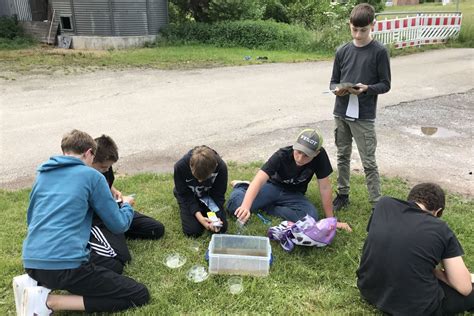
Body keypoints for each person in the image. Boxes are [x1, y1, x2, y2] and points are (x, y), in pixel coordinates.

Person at [13, 130, 149, 315]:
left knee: (110, 266)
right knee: (138, 294)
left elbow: (31, 219)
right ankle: (48, 302)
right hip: (66, 266)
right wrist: (126, 206)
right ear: (89, 153)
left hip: (31, 261)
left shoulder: (43, 174)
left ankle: (35, 282)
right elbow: (118, 225)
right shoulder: (92, 176)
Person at [357, 183, 474, 315]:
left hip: (369, 290)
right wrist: (437, 273)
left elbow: (386, 245)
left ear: (410, 199)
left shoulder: (383, 204)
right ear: (438, 211)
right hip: (416, 309)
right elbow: (464, 288)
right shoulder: (440, 228)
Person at [226, 129, 351, 232]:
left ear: (316, 153)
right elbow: (259, 180)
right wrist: (246, 206)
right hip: (272, 187)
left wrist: (330, 220)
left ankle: (266, 205)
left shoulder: (320, 156)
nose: (300, 158)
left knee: (310, 218)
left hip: (294, 194)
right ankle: (242, 186)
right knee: (235, 207)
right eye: (298, 152)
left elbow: (324, 187)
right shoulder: (282, 155)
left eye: (306, 155)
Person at [329, 3, 391, 211]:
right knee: (342, 155)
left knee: (369, 161)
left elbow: (385, 84)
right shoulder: (342, 51)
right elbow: (333, 81)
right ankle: (343, 194)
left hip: (364, 116)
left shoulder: (379, 52)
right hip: (341, 111)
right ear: (349, 25)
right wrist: (337, 89)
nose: (358, 35)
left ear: (373, 25)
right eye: (354, 29)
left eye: (363, 30)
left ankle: (376, 204)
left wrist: (366, 89)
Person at [89, 135, 165, 274]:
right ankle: (106, 239)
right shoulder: (86, 178)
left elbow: (107, 183)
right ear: (90, 159)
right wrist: (127, 205)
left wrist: (114, 190)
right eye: (103, 167)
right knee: (122, 258)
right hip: (100, 220)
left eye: (110, 167)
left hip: (113, 212)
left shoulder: (104, 169)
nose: (107, 170)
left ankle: (118, 235)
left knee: (157, 229)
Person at [173, 145, 228, 237]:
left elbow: (218, 195)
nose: (200, 182)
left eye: (205, 178)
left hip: (208, 196)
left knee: (221, 228)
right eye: (196, 177)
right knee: (192, 231)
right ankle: (199, 210)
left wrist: (215, 218)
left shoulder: (221, 167)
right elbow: (185, 194)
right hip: (189, 194)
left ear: (215, 167)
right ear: (190, 165)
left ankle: (203, 209)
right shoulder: (180, 167)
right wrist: (200, 217)